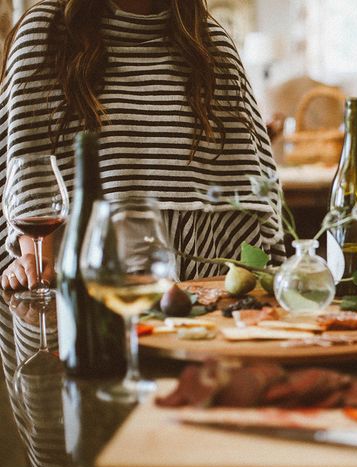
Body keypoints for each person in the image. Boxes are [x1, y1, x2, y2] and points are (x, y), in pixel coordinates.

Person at [0, 0, 284, 291]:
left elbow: (249, 193)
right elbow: (29, 168)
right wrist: (34, 263)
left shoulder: (210, 42)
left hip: (202, 285)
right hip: (86, 288)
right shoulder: (47, 31)